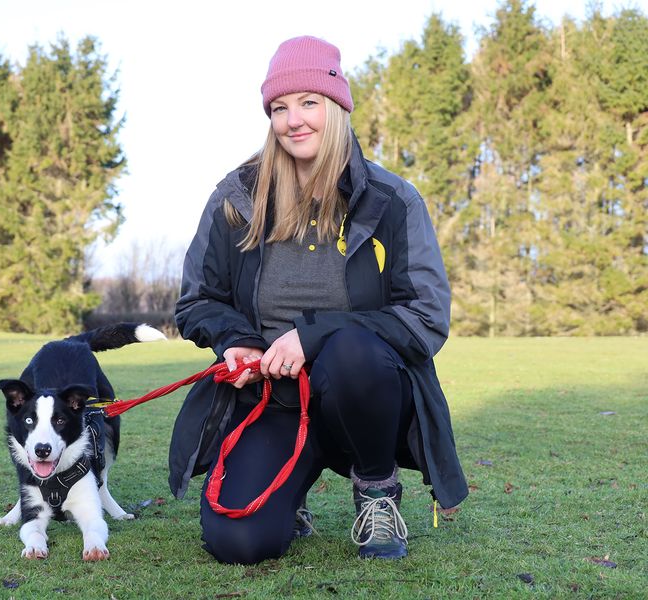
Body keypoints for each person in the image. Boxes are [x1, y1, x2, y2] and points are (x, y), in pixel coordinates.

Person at [169, 35, 467, 565]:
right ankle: (289, 495)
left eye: (309, 103)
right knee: (238, 543)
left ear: (337, 108)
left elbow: (425, 319)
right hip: (275, 401)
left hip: (364, 393)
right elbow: (197, 301)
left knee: (351, 349)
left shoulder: (391, 200)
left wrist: (312, 334)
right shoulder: (236, 198)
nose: (293, 120)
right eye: (279, 108)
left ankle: (376, 490)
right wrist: (235, 341)